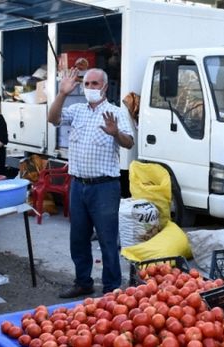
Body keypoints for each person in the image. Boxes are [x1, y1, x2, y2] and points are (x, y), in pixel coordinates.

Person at [48, 68, 134, 298]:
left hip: (105, 187)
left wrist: (115, 133)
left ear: (105, 87)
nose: (91, 88)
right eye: (87, 84)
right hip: (78, 185)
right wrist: (62, 94)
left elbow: (128, 143)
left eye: (95, 84)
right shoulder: (76, 110)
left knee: (107, 240)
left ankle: (111, 288)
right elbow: (53, 118)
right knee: (78, 238)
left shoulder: (116, 113)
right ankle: (83, 282)